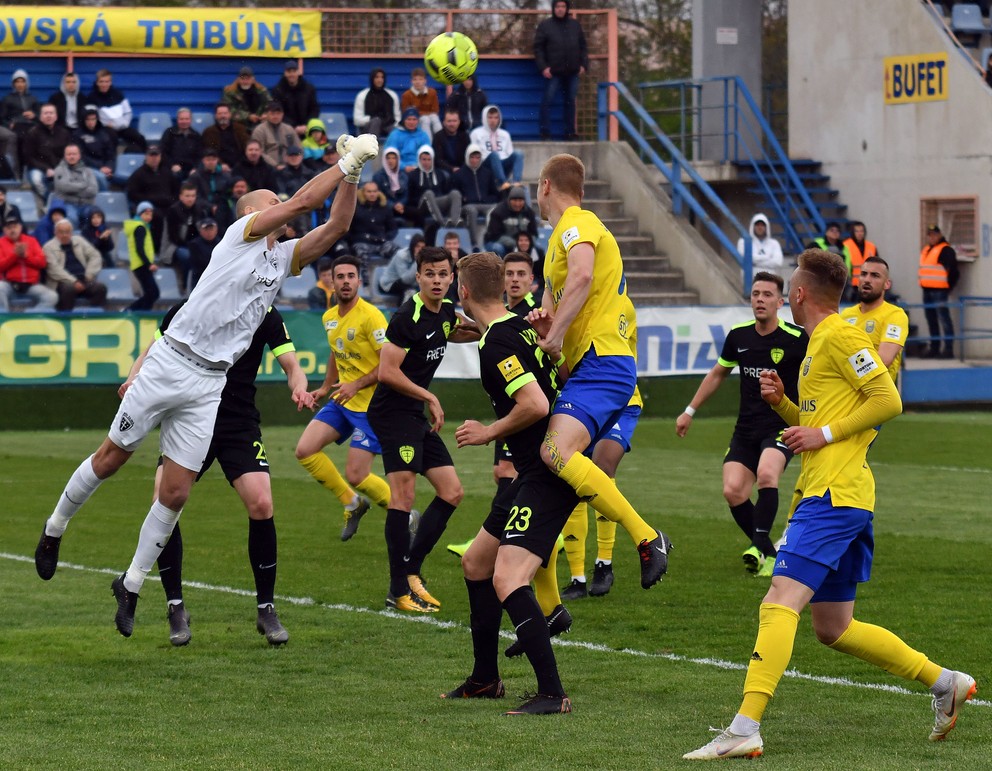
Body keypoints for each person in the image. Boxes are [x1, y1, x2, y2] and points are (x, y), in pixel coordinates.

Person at [32, 132, 378, 640]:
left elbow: (338, 222)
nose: (281, 208)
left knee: (174, 494)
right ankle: (53, 530)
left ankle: (129, 585)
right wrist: (344, 158)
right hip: (170, 362)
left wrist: (352, 174)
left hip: (209, 385)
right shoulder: (240, 235)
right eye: (272, 204)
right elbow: (306, 201)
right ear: (254, 214)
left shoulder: (282, 259)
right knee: (112, 457)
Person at [683, 248, 976, 760]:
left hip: (833, 495)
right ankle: (944, 681)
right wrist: (784, 407)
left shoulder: (839, 335)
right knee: (833, 627)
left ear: (797, 293)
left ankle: (744, 727)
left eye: (789, 286)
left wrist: (821, 432)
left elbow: (888, 400)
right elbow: (824, 419)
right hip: (839, 493)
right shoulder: (821, 341)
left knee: (778, 600)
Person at [527, 153, 672, 591]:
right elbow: (553, 324)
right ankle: (551, 600)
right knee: (558, 473)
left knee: (554, 454)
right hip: (586, 367)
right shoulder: (555, 244)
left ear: (545, 185)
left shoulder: (576, 221)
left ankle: (646, 537)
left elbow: (584, 275)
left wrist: (556, 334)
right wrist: (546, 332)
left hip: (603, 360)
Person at [443, 250, 577, 715]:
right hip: (536, 469)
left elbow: (536, 404)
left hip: (547, 473)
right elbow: (556, 379)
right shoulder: (517, 326)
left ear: (463, 291)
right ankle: (485, 678)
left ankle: (552, 693)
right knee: (477, 563)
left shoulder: (498, 342)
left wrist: (487, 432)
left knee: (508, 576)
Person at [142, 301, 312, 646]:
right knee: (164, 499)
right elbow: (153, 352)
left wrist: (298, 384)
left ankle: (267, 609)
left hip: (238, 423)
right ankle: (175, 606)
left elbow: (291, 363)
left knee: (262, 503)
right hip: (190, 419)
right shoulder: (191, 307)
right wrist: (134, 380)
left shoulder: (264, 312)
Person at [366, 245, 481, 612]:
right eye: (429, 274)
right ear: (418, 277)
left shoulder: (446, 312)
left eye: (442, 274)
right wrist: (429, 398)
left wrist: (496, 328)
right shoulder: (405, 316)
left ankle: (411, 569)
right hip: (392, 414)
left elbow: (458, 331)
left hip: (414, 415)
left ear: (452, 279)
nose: (436, 280)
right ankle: (397, 589)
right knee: (402, 498)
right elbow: (387, 372)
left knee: (452, 492)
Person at [676, 272, 808, 575]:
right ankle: (768, 551)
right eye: (755, 294)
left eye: (766, 294)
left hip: (781, 425)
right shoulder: (739, 336)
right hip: (746, 429)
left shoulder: (797, 338)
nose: (759, 300)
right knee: (733, 490)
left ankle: (761, 548)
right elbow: (717, 374)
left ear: (780, 301)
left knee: (766, 473)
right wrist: (689, 411)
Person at [296, 254, 408, 541]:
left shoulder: (372, 316)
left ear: (359, 281)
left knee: (357, 474)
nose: (345, 282)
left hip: (372, 406)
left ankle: (406, 516)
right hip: (343, 399)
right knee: (305, 450)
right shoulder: (328, 317)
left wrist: (356, 385)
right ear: (331, 281)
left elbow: (387, 364)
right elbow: (336, 353)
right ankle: (352, 502)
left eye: (350, 277)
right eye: (340, 277)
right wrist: (325, 387)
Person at [840, 256, 909, 383]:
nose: (867, 280)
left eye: (875, 276)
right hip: (847, 396)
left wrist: (844, 368)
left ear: (887, 284)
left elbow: (883, 360)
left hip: (877, 397)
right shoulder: (846, 315)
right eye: (863, 274)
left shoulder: (895, 315)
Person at [534, 0, 589, 141]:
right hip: (553, 72)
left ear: (567, 8)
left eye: (563, 6)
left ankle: (570, 133)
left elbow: (583, 46)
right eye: (558, 6)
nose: (560, 9)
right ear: (553, 8)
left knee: (570, 102)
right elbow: (538, 48)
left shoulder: (575, 25)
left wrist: (583, 64)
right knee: (547, 102)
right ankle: (545, 133)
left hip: (572, 71)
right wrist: (543, 67)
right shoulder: (545, 26)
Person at [42, 218, 108, 311]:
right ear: (55, 233)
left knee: (100, 288)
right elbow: (54, 270)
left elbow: (95, 255)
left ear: (71, 233)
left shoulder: (79, 240)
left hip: (84, 278)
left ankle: (94, 318)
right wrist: (73, 281)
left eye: (67, 232)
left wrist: (89, 274)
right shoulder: (48, 247)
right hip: (61, 282)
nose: (64, 235)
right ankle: (66, 319)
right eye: (61, 232)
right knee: (68, 289)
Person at [0, 215, 58, 311]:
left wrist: (26, 256)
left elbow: (42, 263)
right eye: (8, 228)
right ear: (4, 230)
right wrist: (15, 255)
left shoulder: (31, 241)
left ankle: (29, 317)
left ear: (20, 227)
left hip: (31, 285)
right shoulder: (1, 243)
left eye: (15, 227)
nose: (12, 230)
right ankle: (5, 319)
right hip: (9, 284)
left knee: (52, 297)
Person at [918, 224, 959, 359]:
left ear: (940, 234)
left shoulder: (946, 250)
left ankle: (948, 350)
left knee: (944, 320)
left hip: (939, 291)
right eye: (930, 235)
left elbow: (954, 272)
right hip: (927, 290)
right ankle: (934, 348)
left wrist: (948, 288)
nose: (932, 237)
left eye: (935, 234)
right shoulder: (927, 250)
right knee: (931, 320)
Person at [408, 145, 463, 241]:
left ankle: (454, 223)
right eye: (424, 159)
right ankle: (442, 223)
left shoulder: (439, 174)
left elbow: (445, 192)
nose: (426, 162)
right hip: (422, 205)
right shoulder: (413, 175)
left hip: (437, 203)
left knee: (455, 193)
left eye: (429, 159)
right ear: (419, 159)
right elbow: (411, 197)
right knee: (429, 193)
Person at [163, 182, 210, 294]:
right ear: (181, 196)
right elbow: (172, 237)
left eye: (193, 196)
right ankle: (186, 285)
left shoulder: (199, 210)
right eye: (187, 196)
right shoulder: (173, 211)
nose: (190, 199)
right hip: (176, 246)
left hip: (196, 244)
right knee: (188, 257)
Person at [454, 144, 501, 250]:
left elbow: (495, 194)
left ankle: (491, 238)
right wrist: (466, 199)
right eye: (472, 157)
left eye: (477, 157)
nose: (475, 160)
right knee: (472, 211)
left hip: (485, 204)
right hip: (468, 205)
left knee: (495, 209)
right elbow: (456, 196)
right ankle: (474, 243)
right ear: (467, 157)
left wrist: (485, 200)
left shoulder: (487, 173)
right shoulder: (459, 174)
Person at [86, 69, 146, 151]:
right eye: (101, 81)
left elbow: (128, 112)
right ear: (97, 82)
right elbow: (91, 117)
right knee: (111, 138)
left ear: (110, 82)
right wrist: (103, 125)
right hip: (105, 128)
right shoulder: (91, 98)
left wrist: (124, 124)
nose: (104, 84)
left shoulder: (118, 94)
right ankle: (112, 162)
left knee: (139, 137)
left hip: (122, 127)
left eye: (107, 81)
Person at [469, 105, 525, 190]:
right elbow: (474, 153)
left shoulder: (505, 134)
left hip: (503, 164)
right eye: (490, 117)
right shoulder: (476, 133)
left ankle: (516, 182)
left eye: (496, 117)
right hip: (486, 165)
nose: (493, 120)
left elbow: (509, 153)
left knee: (518, 153)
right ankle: (502, 183)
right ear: (484, 118)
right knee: (494, 155)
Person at [22, 104, 72, 199]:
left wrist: (59, 168)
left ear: (56, 116)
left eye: (51, 113)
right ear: (40, 117)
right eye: (45, 113)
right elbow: (29, 157)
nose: (48, 116)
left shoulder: (64, 133)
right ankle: (48, 200)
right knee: (36, 180)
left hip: (60, 166)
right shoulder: (32, 133)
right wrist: (46, 169)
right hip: (38, 168)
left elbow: (68, 154)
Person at [347, 180, 398, 263]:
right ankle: (363, 276)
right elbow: (348, 230)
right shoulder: (354, 207)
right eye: (369, 191)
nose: (372, 194)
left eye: (375, 191)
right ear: (363, 192)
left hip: (381, 242)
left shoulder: (384, 207)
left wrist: (385, 237)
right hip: (361, 243)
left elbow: (393, 228)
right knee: (360, 255)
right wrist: (356, 239)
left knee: (399, 253)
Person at [1, 68, 40, 173]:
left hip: (31, 126)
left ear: (26, 83)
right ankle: (17, 174)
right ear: (13, 84)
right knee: (19, 145)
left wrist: (34, 115)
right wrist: (9, 124)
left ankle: (31, 172)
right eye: (17, 81)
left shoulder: (33, 98)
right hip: (16, 127)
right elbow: (2, 117)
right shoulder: (7, 99)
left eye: (22, 81)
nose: (20, 84)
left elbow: (40, 116)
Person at [483, 186, 539, 257]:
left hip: (521, 242)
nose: (517, 204)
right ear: (509, 200)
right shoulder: (498, 212)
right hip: (495, 241)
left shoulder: (529, 213)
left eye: (520, 201)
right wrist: (517, 243)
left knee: (538, 249)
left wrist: (527, 242)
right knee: (498, 249)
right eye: (515, 201)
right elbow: (495, 235)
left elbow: (534, 233)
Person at [124, 201, 160, 312]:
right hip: (142, 265)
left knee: (150, 293)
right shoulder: (140, 228)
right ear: (140, 214)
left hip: (140, 265)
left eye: (150, 214)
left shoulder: (141, 227)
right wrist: (149, 264)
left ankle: (140, 312)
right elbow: (140, 249)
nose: (149, 217)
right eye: (146, 214)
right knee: (153, 293)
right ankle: (131, 311)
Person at [270, 60, 319, 139]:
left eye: (294, 71)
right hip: (285, 129)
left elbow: (315, 109)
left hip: (307, 128)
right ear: (285, 73)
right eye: (289, 72)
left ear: (298, 72)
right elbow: (278, 111)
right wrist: (294, 127)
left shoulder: (309, 88)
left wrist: (306, 125)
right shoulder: (277, 90)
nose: (292, 74)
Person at [52, 143, 98, 225]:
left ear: (79, 156)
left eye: (74, 154)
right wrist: (84, 184)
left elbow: (93, 191)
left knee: (92, 217)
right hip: (68, 204)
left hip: (86, 204)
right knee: (71, 218)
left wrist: (72, 191)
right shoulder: (59, 170)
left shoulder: (88, 171)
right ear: (65, 156)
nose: (71, 157)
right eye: (69, 154)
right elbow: (64, 187)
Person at [73, 108, 116, 192]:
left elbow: (111, 155)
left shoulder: (104, 133)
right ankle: (105, 196)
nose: (91, 122)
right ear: (83, 120)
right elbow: (81, 156)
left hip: (104, 168)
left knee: (104, 177)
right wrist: (100, 168)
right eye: (88, 119)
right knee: (100, 177)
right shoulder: (77, 135)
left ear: (97, 120)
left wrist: (109, 167)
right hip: (87, 167)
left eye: (93, 119)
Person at [126, 145, 177, 213]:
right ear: (146, 156)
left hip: (168, 207)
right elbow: (132, 194)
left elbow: (176, 189)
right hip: (150, 210)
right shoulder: (138, 174)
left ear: (160, 156)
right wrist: (149, 201)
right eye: (151, 155)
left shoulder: (167, 172)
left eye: (156, 155)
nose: (154, 158)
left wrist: (171, 200)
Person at [353, 67, 401, 140]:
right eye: (377, 77)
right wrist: (372, 119)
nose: (379, 80)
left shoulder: (392, 95)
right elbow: (357, 120)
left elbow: (397, 118)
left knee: (396, 131)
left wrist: (388, 120)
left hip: (387, 126)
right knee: (376, 121)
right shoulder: (362, 95)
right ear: (372, 79)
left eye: (382, 77)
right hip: (368, 130)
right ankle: (372, 149)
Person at [377, 232, 424, 303]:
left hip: (408, 284)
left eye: (422, 247)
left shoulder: (425, 257)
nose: (420, 250)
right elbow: (405, 280)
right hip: (390, 283)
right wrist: (417, 261)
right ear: (412, 246)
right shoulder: (401, 255)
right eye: (417, 246)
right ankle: (403, 313)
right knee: (410, 292)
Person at [251, 101, 299, 170]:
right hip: (267, 168)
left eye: (278, 114)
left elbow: (299, 149)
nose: (275, 116)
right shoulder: (259, 130)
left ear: (282, 114)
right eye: (272, 114)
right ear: (267, 114)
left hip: (290, 166)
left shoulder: (289, 129)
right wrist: (275, 165)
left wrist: (295, 162)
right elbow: (259, 152)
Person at [201, 103, 249, 171]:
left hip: (240, 165)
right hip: (219, 167)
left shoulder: (240, 129)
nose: (223, 116)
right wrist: (220, 165)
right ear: (215, 116)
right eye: (220, 114)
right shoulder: (209, 132)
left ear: (230, 115)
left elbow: (247, 147)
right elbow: (209, 152)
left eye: (225, 113)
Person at [737, 213, 784, 281]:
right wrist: (767, 257)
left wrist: (754, 263)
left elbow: (777, 262)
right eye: (757, 225)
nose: (760, 227)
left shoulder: (774, 243)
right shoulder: (743, 242)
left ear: (766, 227)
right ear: (753, 226)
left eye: (762, 225)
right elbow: (746, 259)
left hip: (770, 281)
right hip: (750, 282)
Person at [159, 108, 203, 180]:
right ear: (177, 120)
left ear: (191, 120)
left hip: (190, 169)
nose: (184, 121)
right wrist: (172, 165)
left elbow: (199, 155)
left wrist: (195, 168)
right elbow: (163, 152)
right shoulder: (169, 133)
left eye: (186, 119)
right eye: (181, 119)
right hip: (173, 168)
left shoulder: (196, 135)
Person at [187, 148, 232, 218]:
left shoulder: (225, 176)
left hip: (221, 207)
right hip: (202, 208)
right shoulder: (195, 177)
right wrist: (210, 206)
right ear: (203, 160)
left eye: (213, 159)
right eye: (208, 159)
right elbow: (195, 196)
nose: (211, 162)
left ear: (217, 160)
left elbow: (228, 193)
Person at [384, 108, 431, 173]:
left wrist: (418, 166)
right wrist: (403, 167)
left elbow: (427, 155)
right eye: (408, 119)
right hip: (399, 169)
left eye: (414, 119)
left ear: (418, 121)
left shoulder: (423, 135)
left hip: (420, 169)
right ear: (404, 120)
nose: (411, 122)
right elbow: (389, 155)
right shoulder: (395, 135)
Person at [841, 221, 878, 303]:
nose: (860, 233)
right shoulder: (845, 245)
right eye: (857, 231)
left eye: (862, 231)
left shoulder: (871, 246)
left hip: (868, 284)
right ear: (852, 232)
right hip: (851, 286)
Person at [807, 222, 850, 289]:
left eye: (837, 231)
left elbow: (847, 263)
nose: (835, 232)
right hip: (820, 280)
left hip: (840, 280)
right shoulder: (815, 244)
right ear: (826, 232)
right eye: (832, 230)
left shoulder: (844, 247)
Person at [401, 67, 442, 137]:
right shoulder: (406, 95)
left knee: (435, 118)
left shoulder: (432, 92)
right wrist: (424, 114)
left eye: (420, 79)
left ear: (425, 81)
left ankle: (442, 141)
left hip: (431, 117)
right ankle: (428, 143)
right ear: (411, 81)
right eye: (415, 79)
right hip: (415, 120)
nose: (418, 82)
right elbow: (406, 112)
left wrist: (423, 113)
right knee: (425, 119)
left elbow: (435, 110)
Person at [373, 147, 409, 222]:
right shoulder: (378, 176)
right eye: (388, 158)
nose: (391, 161)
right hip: (385, 207)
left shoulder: (403, 175)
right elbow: (379, 195)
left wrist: (401, 204)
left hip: (402, 207)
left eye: (393, 158)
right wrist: (393, 205)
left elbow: (406, 194)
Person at [432, 108, 471, 175]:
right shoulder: (438, 137)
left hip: (462, 169)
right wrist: (451, 169)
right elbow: (438, 160)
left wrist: (461, 169)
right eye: (449, 121)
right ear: (444, 122)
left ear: (459, 122)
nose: (452, 124)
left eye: (454, 121)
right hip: (445, 170)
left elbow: (469, 156)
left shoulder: (465, 136)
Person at [188, 217, 220, 290]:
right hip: (200, 279)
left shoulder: (222, 243)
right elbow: (199, 263)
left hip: (218, 278)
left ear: (216, 230)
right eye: (206, 229)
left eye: (211, 229)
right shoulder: (194, 244)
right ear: (200, 231)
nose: (209, 232)